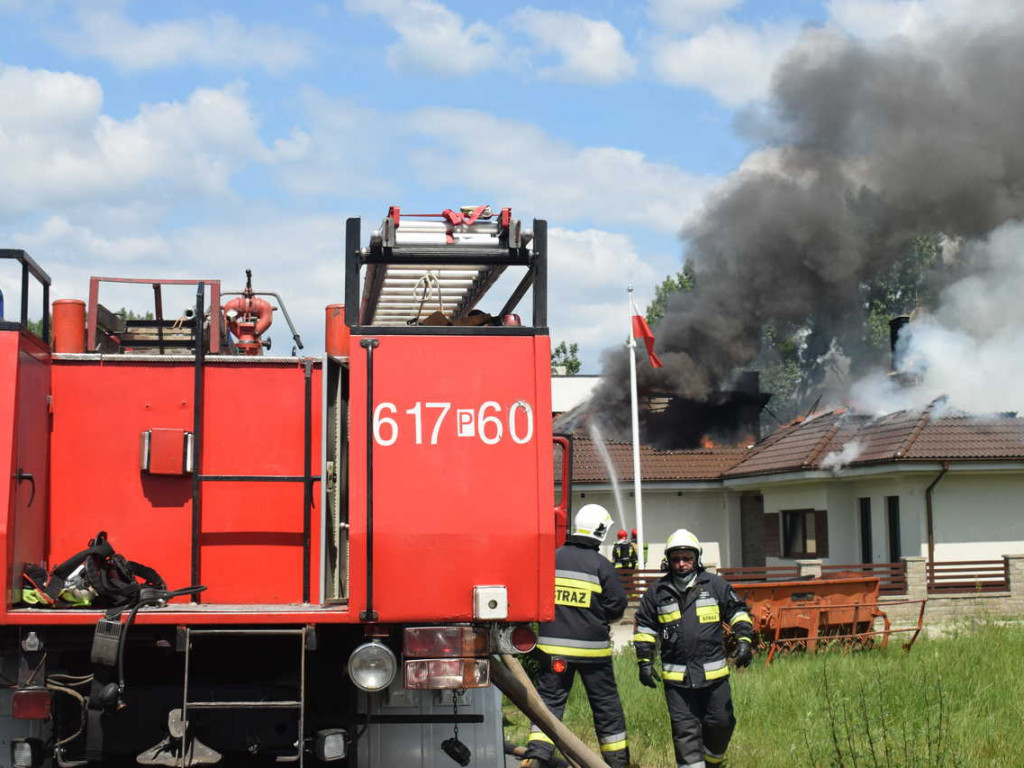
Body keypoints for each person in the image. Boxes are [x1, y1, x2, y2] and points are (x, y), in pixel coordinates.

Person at [633, 529, 755, 768]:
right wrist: (645, 662)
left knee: (722, 723)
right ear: (668, 560)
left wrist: (744, 641)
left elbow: (739, 612)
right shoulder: (657, 592)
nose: (681, 564)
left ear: (696, 558)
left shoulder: (715, 585)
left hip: (714, 678)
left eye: (686, 558)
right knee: (685, 732)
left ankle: (712, 762)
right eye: (676, 559)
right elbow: (646, 628)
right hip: (678, 683)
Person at [524, 504, 630, 768]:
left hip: (553, 652)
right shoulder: (601, 565)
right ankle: (615, 762)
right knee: (606, 706)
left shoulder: (552, 559)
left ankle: (538, 755)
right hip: (593, 653)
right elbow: (617, 605)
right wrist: (596, 616)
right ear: (602, 531)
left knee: (549, 702)